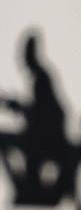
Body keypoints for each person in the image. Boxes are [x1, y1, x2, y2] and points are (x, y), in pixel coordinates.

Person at [3, 32, 69, 195]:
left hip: (47, 136)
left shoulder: (40, 78)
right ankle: (25, 184)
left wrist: (17, 106)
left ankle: (25, 187)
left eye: (25, 53)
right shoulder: (38, 77)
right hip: (44, 133)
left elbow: (40, 113)